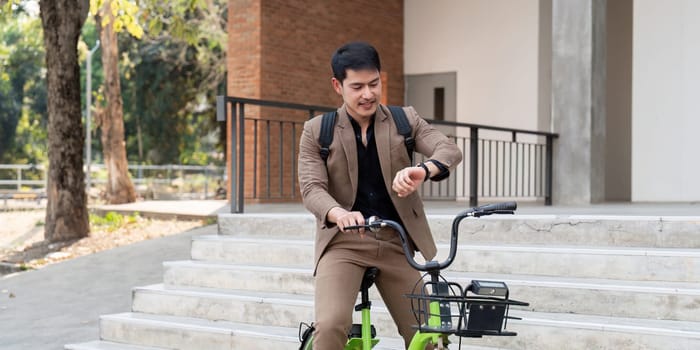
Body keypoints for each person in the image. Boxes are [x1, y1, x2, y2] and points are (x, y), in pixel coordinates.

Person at [297, 41, 463, 349]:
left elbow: (448, 149)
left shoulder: (405, 120)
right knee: (331, 325)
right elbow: (312, 189)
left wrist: (424, 170)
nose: (368, 94)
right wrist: (339, 214)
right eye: (357, 86)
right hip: (342, 244)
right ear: (338, 85)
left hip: (395, 241)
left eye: (374, 84)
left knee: (430, 337)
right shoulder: (317, 130)